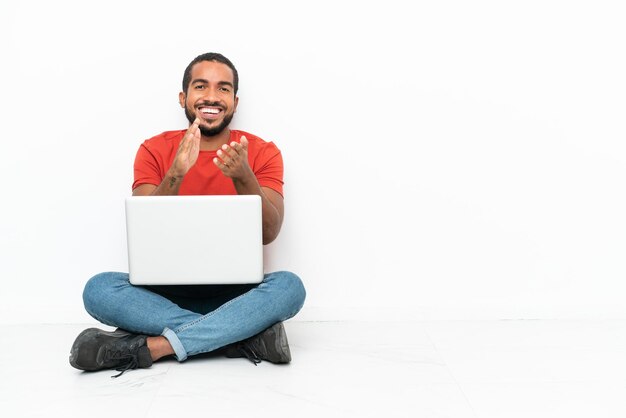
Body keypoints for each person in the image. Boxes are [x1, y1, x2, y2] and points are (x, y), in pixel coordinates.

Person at [69, 52, 306, 377]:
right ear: (184, 97)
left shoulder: (262, 152)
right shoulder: (154, 149)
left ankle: (154, 348)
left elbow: (269, 232)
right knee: (98, 290)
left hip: (236, 295)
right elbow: (146, 232)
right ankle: (238, 338)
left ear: (235, 102)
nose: (212, 96)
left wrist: (242, 175)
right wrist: (176, 172)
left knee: (290, 287)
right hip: (162, 296)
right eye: (201, 86)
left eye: (223, 89)